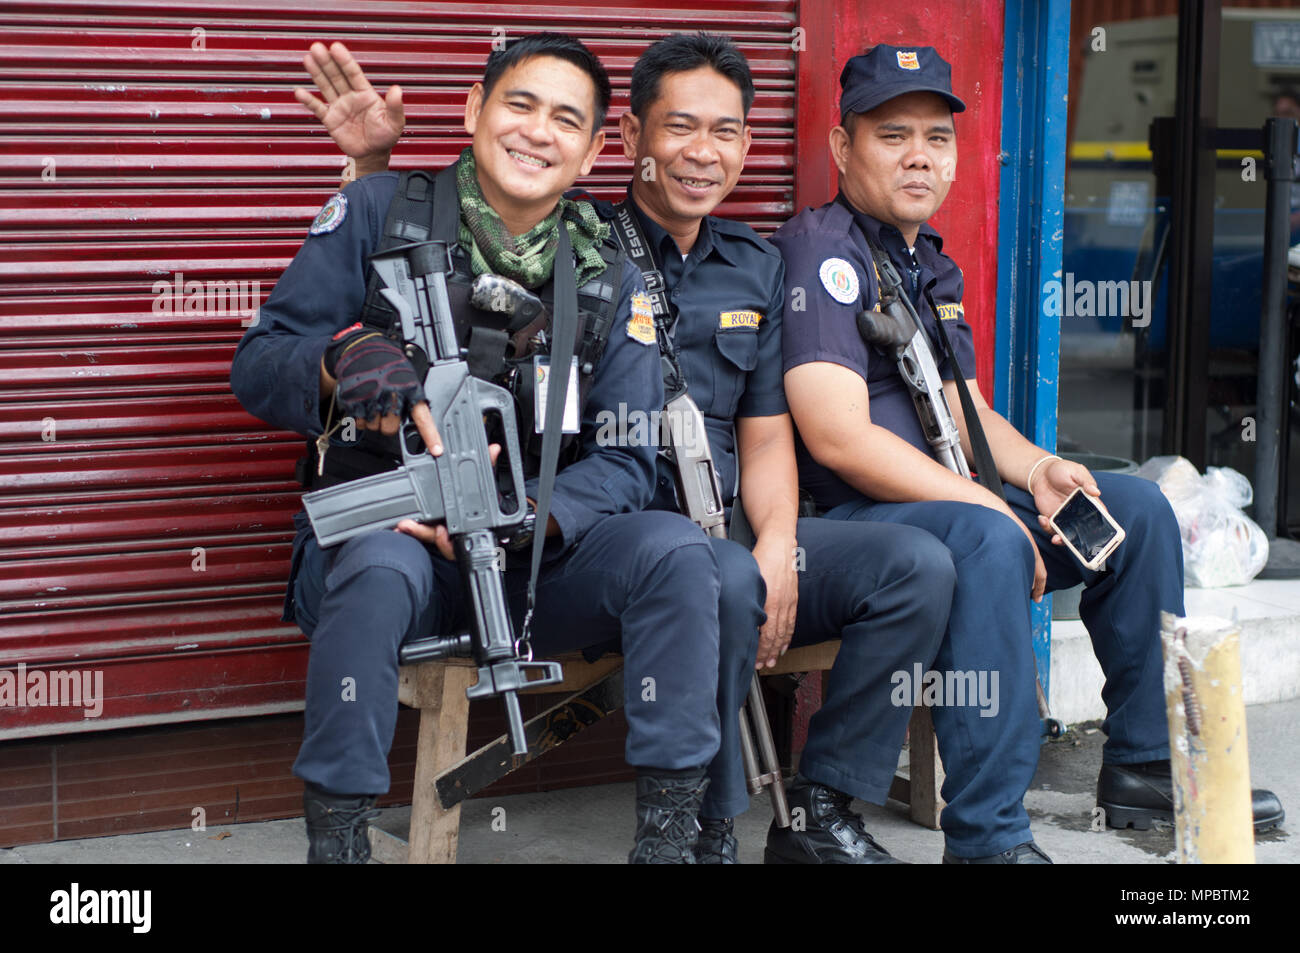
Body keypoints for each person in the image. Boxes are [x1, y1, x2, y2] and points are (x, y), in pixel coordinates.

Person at [321, 33, 956, 864]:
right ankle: (707, 828)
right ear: (626, 140)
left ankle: (795, 812)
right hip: (582, 533)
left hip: (651, 524)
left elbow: (763, 430)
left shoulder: (738, 263)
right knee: (705, 570)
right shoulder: (587, 237)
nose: (701, 152)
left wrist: (777, 542)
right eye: (679, 127)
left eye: (724, 132)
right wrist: (348, 317)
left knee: (909, 564)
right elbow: (343, 303)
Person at [771, 44, 1284, 863]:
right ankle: (989, 837)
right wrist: (986, 504)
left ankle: (1144, 763)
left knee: (1136, 510)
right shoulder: (823, 252)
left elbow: (968, 408)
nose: (919, 156)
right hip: (857, 524)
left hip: (943, 503)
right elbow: (839, 437)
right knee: (988, 538)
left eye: (936, 138)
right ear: (842, 146)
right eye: (892, 135)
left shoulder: (925, 263)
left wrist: (1040, 470)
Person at [232, 32, 735, 864]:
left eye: (565, 119)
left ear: (593, 152)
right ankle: (340, 841)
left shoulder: (610, 272)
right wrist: (339, 360)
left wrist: (532, 515)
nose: (538, 131)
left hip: (533, 568)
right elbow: (258, 363)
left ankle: (669, 839)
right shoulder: (379, 212)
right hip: (393, 552)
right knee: (378, 565)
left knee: (678, 551)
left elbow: (624, 457)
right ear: (473, 109)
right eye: (520, 105)